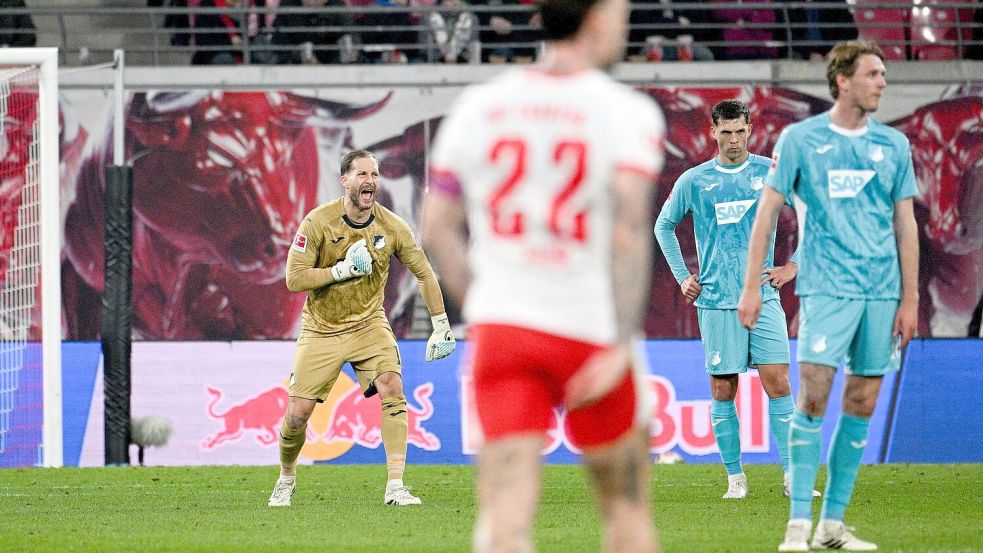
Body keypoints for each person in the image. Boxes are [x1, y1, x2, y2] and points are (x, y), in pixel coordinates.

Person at [420, 0, 665, 550]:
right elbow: (627, 233)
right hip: (590, 327)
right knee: (625, 512)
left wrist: (486, 305)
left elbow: (435, 227)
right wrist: (622, 341)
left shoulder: (482, 105)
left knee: (505, 515)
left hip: (505, 329)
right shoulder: (626, 111)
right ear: (598, 18)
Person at [737, 40, 918, 551]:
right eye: (874, 73)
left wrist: (910, 300)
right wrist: (751, 287)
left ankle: (833, 526)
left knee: (861, 401)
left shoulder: (893, 146)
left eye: (883, 74)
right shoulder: (800, 139)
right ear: (843, 79)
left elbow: (905, 225)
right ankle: (797, 526)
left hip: (881, 295)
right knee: (813, 398)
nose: (883, 82)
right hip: (826, 289)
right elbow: (767, 214)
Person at [268, 149, 457, 507]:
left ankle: (396, 486)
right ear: (345, 181)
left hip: (370, 326)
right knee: (297, 415)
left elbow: (424, 272)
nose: (370, 180)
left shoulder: (393, 226)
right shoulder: (317, 222)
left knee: (393, 387)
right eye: (362, 174)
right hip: (322, 329)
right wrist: (339, 271)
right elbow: (294, 278)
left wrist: (441, 323)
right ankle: (286, 477)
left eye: (374, 174)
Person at [655, 99, 820, 501]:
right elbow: (664, 225)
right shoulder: (695, 180)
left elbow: (813, 214)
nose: (733, 139)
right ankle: (735, 478)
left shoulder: (770, 172)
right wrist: (682, 277)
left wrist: (792, 266)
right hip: (715, 301)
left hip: (763, 297)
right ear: (713, 132)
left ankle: (791, 477)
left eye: (739, 131)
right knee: (723, 390)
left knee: (778, 383)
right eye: (725, 132)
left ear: (750, 129)